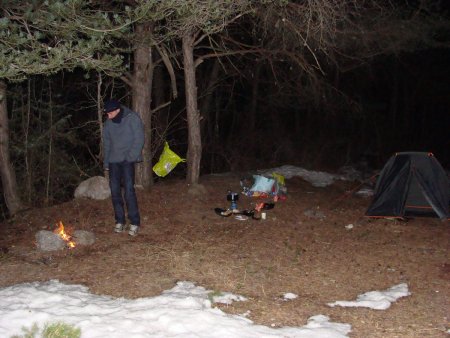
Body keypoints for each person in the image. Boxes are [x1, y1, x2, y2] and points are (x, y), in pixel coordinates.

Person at [102, 99, 144, 236]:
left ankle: (134, 222)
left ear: (117, 110)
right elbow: (107, 144)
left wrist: (130, 157)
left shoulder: (132, 119)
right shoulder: (108, 124)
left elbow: (139, 139)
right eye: (107, 113)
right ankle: (119, 220)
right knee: (114, 191)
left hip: (127, 160)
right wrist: (106, 162)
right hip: (114, 161)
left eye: (109, 113)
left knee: (129, 191)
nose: (108, 116)